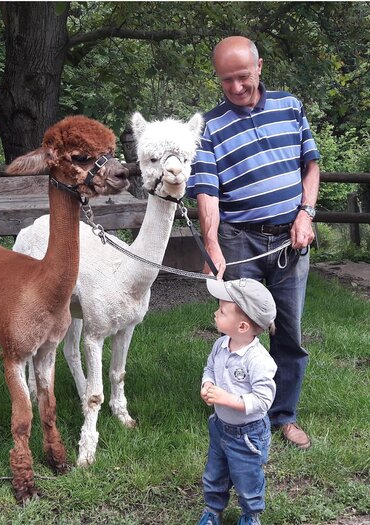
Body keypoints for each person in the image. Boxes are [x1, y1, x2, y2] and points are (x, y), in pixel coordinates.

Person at [187, 35, 320, 450]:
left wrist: (305, 213)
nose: (237, 87)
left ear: (259, 67)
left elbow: (310, 166)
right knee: (239, 330)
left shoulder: (290, 106)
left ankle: (283, 415)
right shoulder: (210, 126)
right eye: (227, 81)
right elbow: (207, 192)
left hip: (290, 242)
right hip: (240, 239)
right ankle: (234, 410)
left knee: (289, 331)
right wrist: (212, 245)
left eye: (243, 76)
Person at [197, 277, 277, 525]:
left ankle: (250, 515)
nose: (215, 313)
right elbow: (209, 368)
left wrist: (226, 398)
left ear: (242, 327)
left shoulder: (258, 360)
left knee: (247, 478)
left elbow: (263, 401)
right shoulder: (220, 344)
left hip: (248, 435)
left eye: (221, 311)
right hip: (221, 428)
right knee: (214, 474)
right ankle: (212, 510)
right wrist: (207, 384)